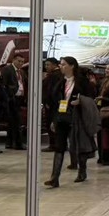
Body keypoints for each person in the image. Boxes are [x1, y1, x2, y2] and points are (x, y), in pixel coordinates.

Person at [44, 56, 94, 187]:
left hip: (77, 117)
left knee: (78, 144)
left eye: (64, 64)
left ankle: (82, 171)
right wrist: (54, 120)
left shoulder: (82, 82)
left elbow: (90, 97)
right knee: (59, 146)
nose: (61, 66)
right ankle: (54, 177)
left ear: (72, 66)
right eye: (60, 64)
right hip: (61, 117)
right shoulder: (60, 82)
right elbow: (55, 102)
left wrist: (80, 101)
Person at [0, 54, 26, 150]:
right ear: (14, 60)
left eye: (22, 62)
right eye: (19, 61)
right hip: (11, 99)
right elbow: (3, 84)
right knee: (15, 121)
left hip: (19, 99)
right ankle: (18, 143)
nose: (21, 63)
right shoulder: (7, 69)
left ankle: (10, 142)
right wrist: (8, 96)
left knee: (14, 122)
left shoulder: (21, 72)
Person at [41, 58, 62, 153]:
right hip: (53, 104)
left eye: (48, 65)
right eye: (45, 65)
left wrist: (48, 102)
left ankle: (54, 144)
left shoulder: (55, 76)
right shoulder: (54, 75)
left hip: (52, 105)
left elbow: (51, 91)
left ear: (54, 65)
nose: (46, 67)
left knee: (52, 124)